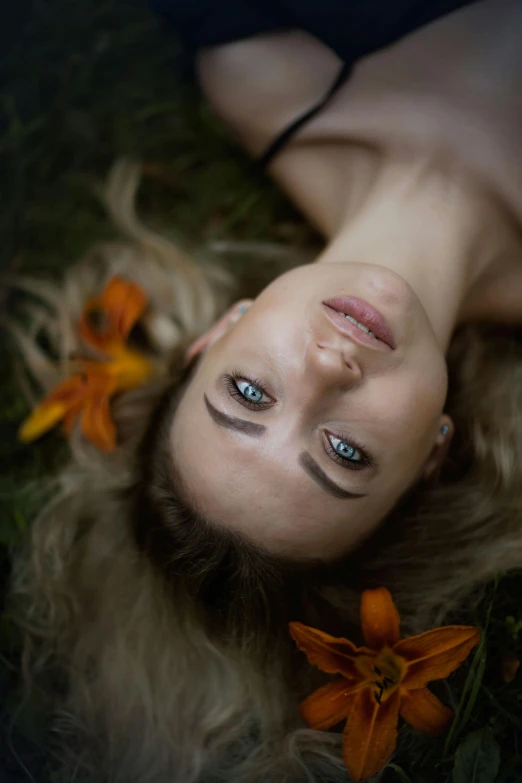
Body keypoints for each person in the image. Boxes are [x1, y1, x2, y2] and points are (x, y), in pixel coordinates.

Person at [9, 1, 522, 781]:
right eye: (344, 451)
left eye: (248, 392)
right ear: (434, 451)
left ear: (221, 330)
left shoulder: (255, 57)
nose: (325, 371)